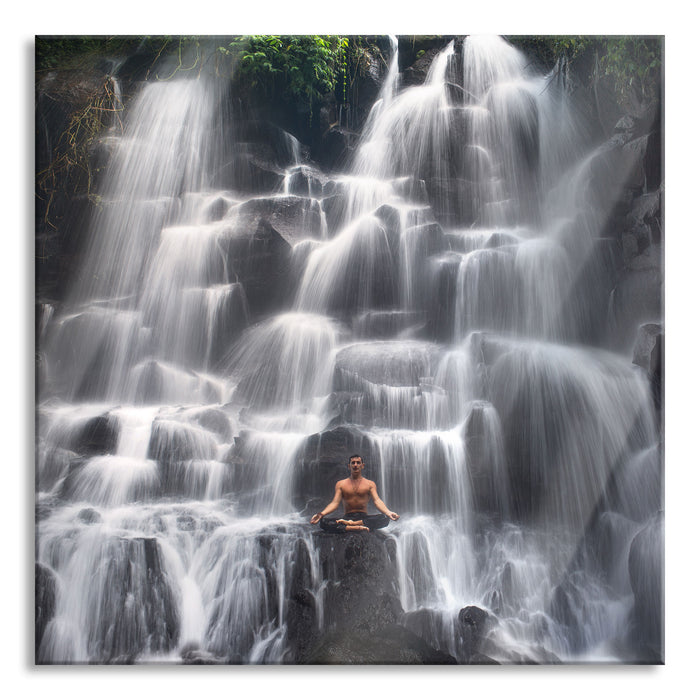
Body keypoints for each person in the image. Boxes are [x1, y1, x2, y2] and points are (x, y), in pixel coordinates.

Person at [310, 454, 400, 532]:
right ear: (349, 466)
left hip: (363, 518)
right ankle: (355, 527)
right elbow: (334, 503)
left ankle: (352, 525)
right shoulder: (341, 484)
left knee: (385, 518)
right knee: (323, 522)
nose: (355, 465)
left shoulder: (370, 484)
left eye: (358, 462)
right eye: (353, 463)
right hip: (347, 517)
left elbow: (377, 501)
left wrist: (388, 512)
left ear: (362, 465)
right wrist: (320, 514)